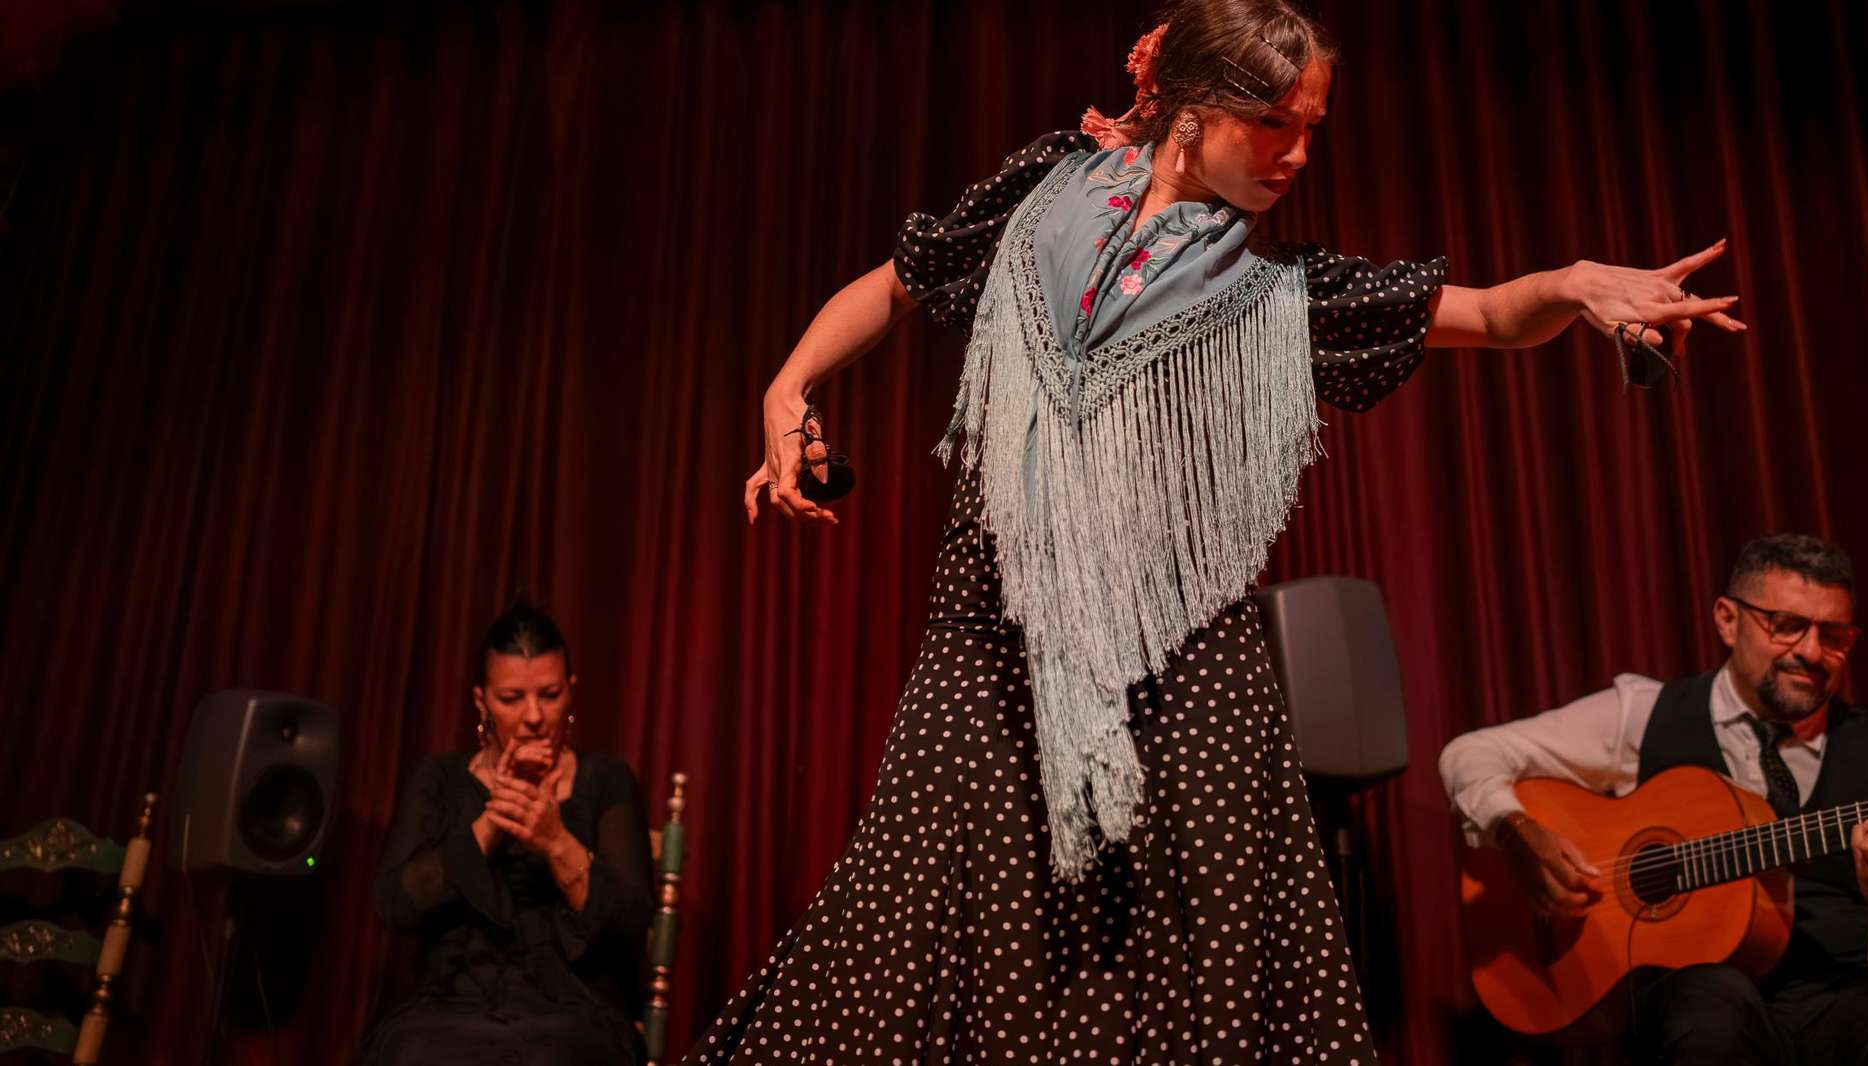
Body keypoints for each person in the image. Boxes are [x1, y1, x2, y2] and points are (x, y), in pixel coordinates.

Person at [696, 1, 1744, 1059]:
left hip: (1180, 671)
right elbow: (900, 280)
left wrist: (1568, 287)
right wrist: (790, 387)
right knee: (916, 928)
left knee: (1181, 965)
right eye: (1275, 125)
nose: (1298, 154)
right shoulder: (1045, 192)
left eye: (1313, 129)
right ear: (1192, 111)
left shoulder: (1274, 294)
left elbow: (1482, 313)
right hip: (990, 641)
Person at [1439, 534, 1868, 1064]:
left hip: (1847, 996)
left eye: (1833, 635)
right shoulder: (1642, 714)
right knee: (1707, 1012)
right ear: (1727, 619)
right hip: (1699, 998)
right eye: (1787, 626)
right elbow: (1470, 753)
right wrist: (1514, 832)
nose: (1812, 653)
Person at [363, 600, 654, 1066]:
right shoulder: (439, 778)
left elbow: (633, 915)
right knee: (417, 1052)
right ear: (482, 702)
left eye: (551, 694)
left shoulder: (606, 779)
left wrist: (556, 840)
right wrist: (491, 823)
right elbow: (394, 904)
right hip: (451, 1001)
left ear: (571, 693)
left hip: (572, 1005)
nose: (534, 716)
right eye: (512, 699)